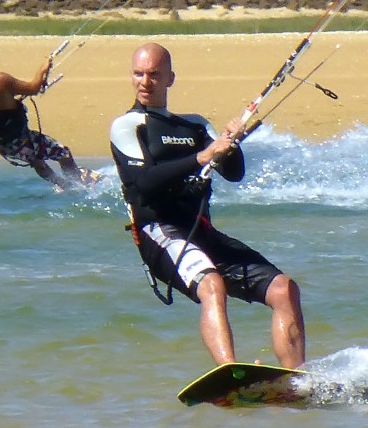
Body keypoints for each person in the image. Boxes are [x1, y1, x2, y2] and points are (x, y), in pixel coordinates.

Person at [109, 42, 306, 368]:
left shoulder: (195, 126)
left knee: (284, 289)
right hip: (159, 232)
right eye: (138, 74)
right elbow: (142, 183)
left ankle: (296, 377)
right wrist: (202, 156)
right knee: (211, 284)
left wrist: (230, 144)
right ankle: (229, 372)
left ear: (170, 78)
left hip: (202, 232)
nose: (145, 82)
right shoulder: (128, 126)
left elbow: (234, 173)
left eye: (154, 75)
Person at [0, 38, 98, 191]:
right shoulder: (1, 80)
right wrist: (43, 69)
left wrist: (15, 102)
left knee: (37, 161)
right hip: (18, 139)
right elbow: (34, 87)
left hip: (0, 142)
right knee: (63, 153)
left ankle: (62, 183)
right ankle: (78, 185)